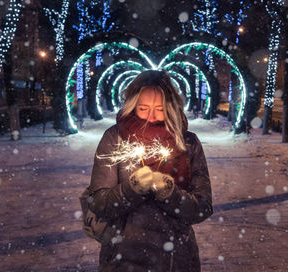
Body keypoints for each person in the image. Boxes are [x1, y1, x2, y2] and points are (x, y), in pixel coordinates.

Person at [89, 70, 213, 272]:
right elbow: (99, 203)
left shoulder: (188, 143)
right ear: (132, 106)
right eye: (143, 108)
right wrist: (133, 189)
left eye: (160, 109)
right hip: (124, 258)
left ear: (171, 107)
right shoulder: (115, 139)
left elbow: (203, 207)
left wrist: (169, 193)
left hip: (176, 258)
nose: (151, 117)